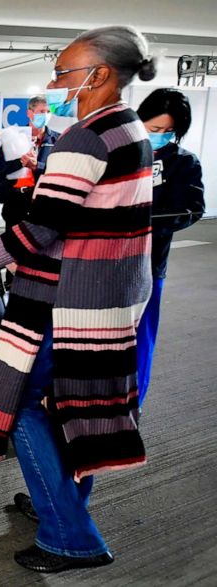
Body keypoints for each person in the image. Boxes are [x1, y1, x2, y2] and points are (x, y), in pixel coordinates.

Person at [0, 25, 156, 573]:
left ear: (98, 76)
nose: (54, 82)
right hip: (109, 296)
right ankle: (62, 499)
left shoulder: (85, 137)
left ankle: (69, 534)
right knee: (77, 404)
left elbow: (38, 232)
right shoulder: (129, 128)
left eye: (62, 72)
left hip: (62, 298)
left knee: (22, 402)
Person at [136, 88, 206, 407]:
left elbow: (192, 209)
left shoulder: (183, 162)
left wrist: (147, 221)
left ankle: (130, 407)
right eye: (154, 130)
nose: (161, 136)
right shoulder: (122, 153)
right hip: (102, 263)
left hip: (149, 265)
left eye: (168, 132)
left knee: (140, 341)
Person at [0, 96, 60, 227]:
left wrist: (37, 166)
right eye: (41, 111)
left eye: (48, 112)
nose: (45, 115)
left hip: (42, 200)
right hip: (16, 200)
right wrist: (20, 162)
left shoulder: (57, 139)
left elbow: (61, 171)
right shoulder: (13, 137)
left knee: (41, 242)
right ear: (30, 113)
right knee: (14, 243)